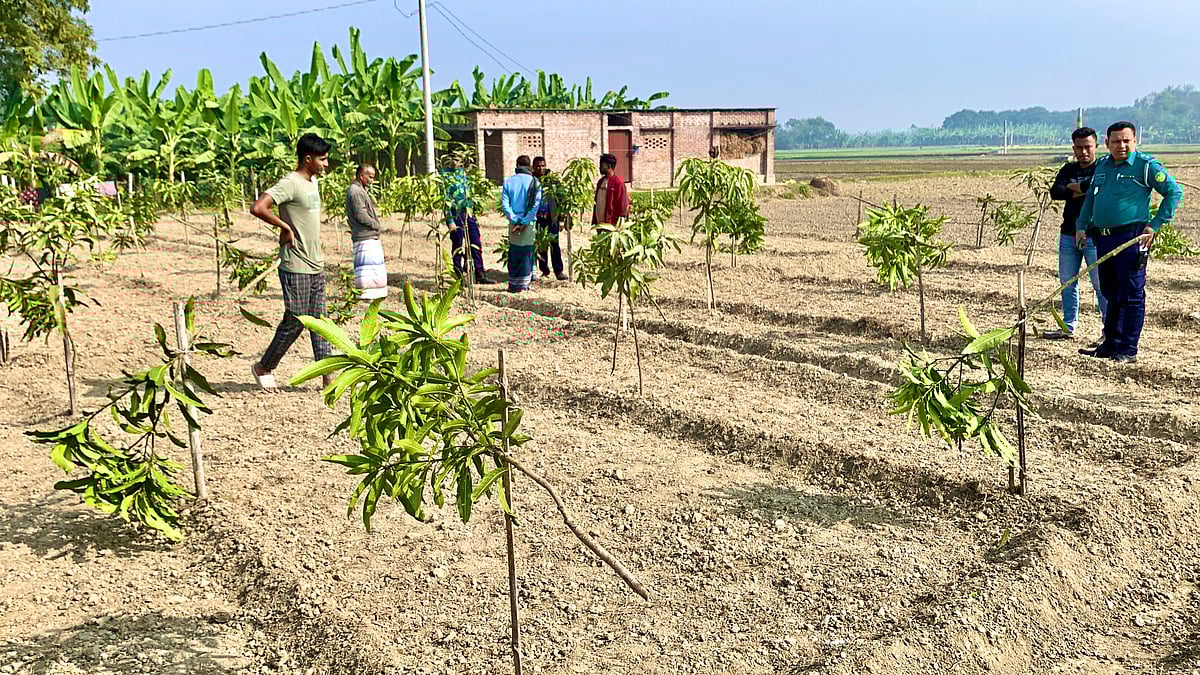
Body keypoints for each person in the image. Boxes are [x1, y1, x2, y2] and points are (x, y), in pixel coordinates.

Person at [1076, 121, 1183, 364]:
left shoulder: (1145, 166)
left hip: (1131, 237)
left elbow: (1174, 192)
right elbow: (1091, 199)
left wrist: (1153, 226)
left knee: (1131, 292)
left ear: (1135, 141)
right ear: (1107, 143)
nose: (1121, 145)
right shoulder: (1102, 165)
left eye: (1126, 141)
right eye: (1116, 141)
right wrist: (1081, 226)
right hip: (1102, 237)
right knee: (1110, 291)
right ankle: (1110, 344)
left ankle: (1127, 348)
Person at [249, 133, 335, 391]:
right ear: (307, 159)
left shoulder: (312, 183)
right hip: (295, 264)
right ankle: (264, 366)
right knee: (296, 319)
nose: (326, 164)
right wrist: (284, 227)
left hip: (315, 262)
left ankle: (327, 375)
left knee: (319, 320)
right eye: (322, 160)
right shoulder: (291, 182)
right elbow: (258, 207)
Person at [1043, 127, 1106, 341]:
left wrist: (1075, 188)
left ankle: (1109, 331)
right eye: (1079, 148)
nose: (1084, 152)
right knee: (1068, 283)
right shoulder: (1068, 168)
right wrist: (1084, 189)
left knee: (1101, 285)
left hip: (1095, 235)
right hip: (1068, 234)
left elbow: (1100, 189)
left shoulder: (1104, 167)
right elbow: (1056, 192)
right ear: (1073, 148)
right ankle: (1068, 327)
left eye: (1088, 147)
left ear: (1096, 146)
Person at [443, 158, 492, 284]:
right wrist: (450, 221)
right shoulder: (446, 175)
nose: (455, 162)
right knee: (457, 244)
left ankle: (479, 273)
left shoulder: (464, 173)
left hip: (468, 213)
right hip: (455, 214)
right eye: (453, 159)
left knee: (475, 242)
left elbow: (469, 194)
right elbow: (445, 200)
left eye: (458, 159)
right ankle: (458, 276)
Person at [346, 163, 387, 300]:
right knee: (368, 269)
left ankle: (371, 294)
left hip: (365, 235)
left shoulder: (358, 190)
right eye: (370, 177)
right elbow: (361, 215)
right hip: (365, 235)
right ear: (361, 176)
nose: (372, 180)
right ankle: (366, 295)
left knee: (370, 268)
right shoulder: (356, 192)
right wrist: (376, 225)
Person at [501, 155, 542, 292]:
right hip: (528, 223)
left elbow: (505, 205)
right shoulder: (535, 182)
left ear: (517, 165)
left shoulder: (508, 182)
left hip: (514, 223)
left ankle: (513, 284)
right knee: (526, 251)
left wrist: (515, 220)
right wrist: (524, 222)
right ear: (529, 165)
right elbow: (535, 206)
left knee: (514, 250)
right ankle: (523, 285)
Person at [532, 156, 567, 280]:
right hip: (538, 218)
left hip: (552, 218)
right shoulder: (532, 181)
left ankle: (559, 271)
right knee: (541, 246)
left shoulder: (553, 181)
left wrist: (562, 218)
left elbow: (561, 198)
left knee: (554, 245)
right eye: (537, 166)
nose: (540, 168)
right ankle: (544, 271)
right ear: (533, 167)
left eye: (542, 165)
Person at [592, 153, 630, 226]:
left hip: (611, 225)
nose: (600, 167)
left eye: (602, 165)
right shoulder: (600, 182)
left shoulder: (618, 183)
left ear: (609, 166)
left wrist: (618, 223)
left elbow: (622, 206)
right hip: (599, 224)